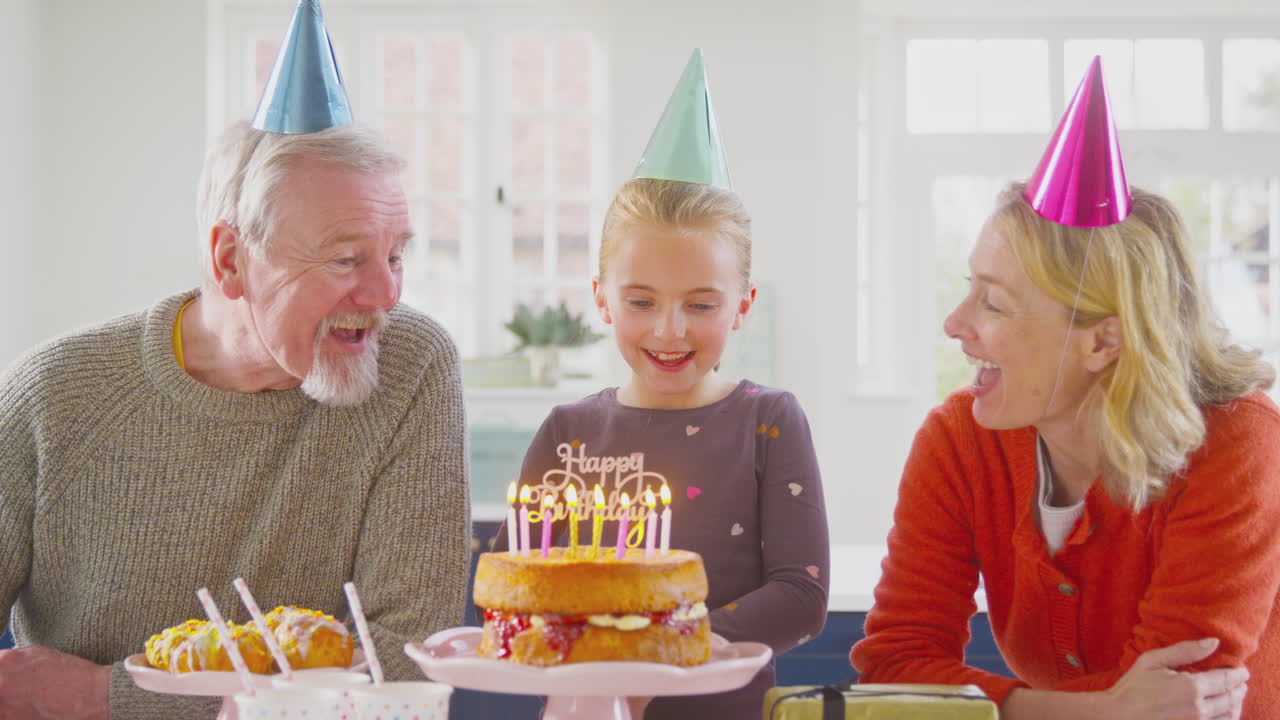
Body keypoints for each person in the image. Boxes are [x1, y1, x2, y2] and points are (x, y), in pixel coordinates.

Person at [0, 117, 471, 719]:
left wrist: (106, 697)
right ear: (230, 261)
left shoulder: (410, 365)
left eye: (396, 255)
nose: (385, 295)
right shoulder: (54, 395)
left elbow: (402, 664)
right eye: (346, 260)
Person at [850, 179, 1278, 718]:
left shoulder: (1238, 442)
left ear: (1102, 341)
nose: (955, 324)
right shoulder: (960, 440)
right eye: (968, 289)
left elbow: (1174, 700)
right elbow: (893, 666)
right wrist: (1090, 710)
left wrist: (994, 707)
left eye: (993, 303)